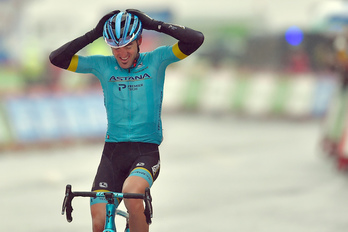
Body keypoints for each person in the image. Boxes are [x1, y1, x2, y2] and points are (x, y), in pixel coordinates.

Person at [49, 9, 204, 232]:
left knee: (132, 195)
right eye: (115, 47)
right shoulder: (102, 65)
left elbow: (196, 39)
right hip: (112, 154)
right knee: (99, 218)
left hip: (145, 152)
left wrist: (153, 24)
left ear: (139, 41)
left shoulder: (156, 60)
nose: (122, 53)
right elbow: (57, 58)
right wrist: (94, 33)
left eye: (128, 46)